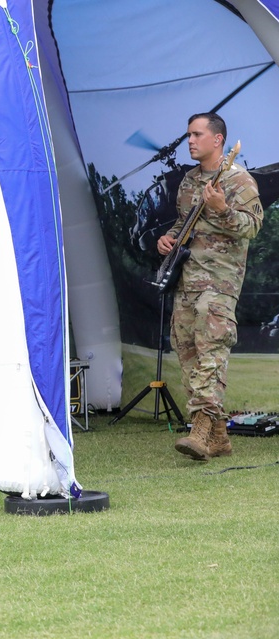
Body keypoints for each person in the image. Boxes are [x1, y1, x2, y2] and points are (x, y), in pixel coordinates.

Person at [156, 112, 263, 461]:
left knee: (212, 349)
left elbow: (251, 226)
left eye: (197, 134)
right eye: (188, 134)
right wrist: (169, 239)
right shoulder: (188, 180)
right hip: (186, 279)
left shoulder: (239, 180)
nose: (189, 140)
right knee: (186, 349)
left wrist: (222, 209)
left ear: (218, 140)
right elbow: (183, 222)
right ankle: (218, 437)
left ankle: (200, 427)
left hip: (219, 283)